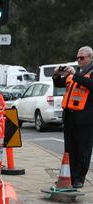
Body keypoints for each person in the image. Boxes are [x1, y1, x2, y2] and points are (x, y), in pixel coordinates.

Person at [53, 46, 93, 188]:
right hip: (69, 117)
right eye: (77, 57)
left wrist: (75, 74)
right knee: (69, 149)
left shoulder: (88, 72)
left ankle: (79, 178)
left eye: (82, 58)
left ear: (90, 58)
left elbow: (90, 85)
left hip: (85, 119)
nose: (79, 60)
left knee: (83, 150)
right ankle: (67, 176)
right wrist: (57, 74)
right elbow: (58, 84)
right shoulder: (73, 74)